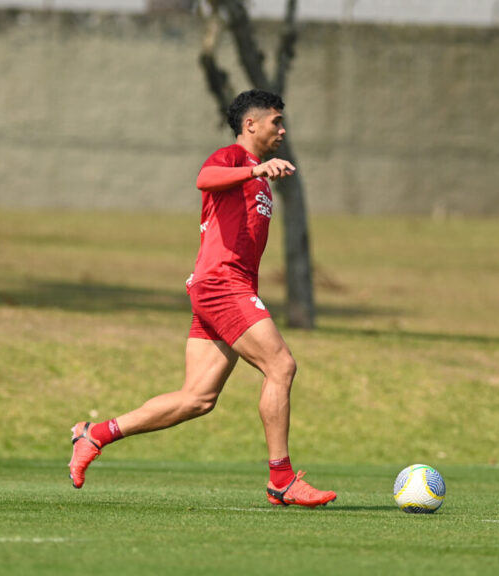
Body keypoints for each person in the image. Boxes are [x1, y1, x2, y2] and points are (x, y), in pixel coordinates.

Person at [69, 90, 336, 507]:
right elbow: (204, 179)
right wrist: (254, 171)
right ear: (251, 125)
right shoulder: (232, 158)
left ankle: (95, 434)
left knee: (198, 398)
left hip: (224, 286)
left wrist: (259, 174)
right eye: (276, 122)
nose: (282, 130)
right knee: (281, 365)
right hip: (222, 284)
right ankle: (281, 480)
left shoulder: (257, 173)